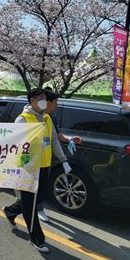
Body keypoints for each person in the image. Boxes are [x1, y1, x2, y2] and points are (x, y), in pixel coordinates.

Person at [2, 88, 71, 253]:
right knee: (31, 205)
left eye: (45, 98)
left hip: (44, 166)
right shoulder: (23, 120)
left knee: (37, 199)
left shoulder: (47, 118)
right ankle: (36, 238)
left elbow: (53, 140)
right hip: (28, 169)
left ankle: (10, 211)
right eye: (40, 98)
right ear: (32, 100)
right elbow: (16, 145)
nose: (44, 101)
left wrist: (64, 160)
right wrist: (24, 166)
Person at [35, 90, 82, 223]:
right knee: (31, 187)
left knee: (41, 185)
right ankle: (24, 207)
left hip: (46, 158)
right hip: (32, 159)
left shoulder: (51, 118)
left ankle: (37, 208)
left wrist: (70, 139)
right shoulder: (31, 116)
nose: (57, 105)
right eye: (55, 102)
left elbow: (55, 137)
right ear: (47, 102)